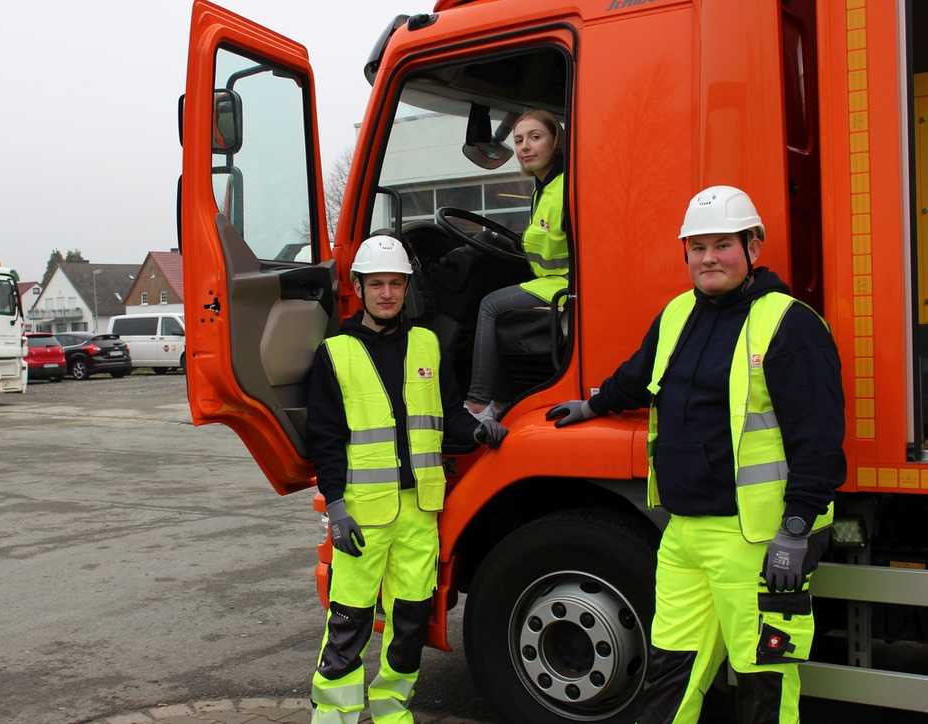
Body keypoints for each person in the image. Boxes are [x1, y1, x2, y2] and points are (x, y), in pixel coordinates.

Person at [548, 186, 845, 723]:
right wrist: (592, 405)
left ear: (753, 246)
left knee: (764, 678)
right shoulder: (679, 313)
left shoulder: (789, 324)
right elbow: (641, 376)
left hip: (756, 538)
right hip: (683, 533)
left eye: (723, 245)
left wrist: (796, 529)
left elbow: (819, 440)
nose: (709, 258)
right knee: (672, 672)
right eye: (697, 247)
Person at [306, 235, 508, 723]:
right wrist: (335, 507)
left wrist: (481, 430)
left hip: (419, 513)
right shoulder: (336, 352)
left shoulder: (428, 345)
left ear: (407, 288)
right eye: (377, 284)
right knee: (350, 621)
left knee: (411, 620)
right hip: (362, 516)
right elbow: (326, 439)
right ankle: (334, 717)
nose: (387, 294)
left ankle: (392, 709)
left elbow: (447, 419)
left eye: (396, 284)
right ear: (359, 288)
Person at [465, 109, 568, 420]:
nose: (525, 147)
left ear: (556, 142)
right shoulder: (544, 188)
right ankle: (504, 400)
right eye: (519, 140)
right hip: (554, 281)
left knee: (491, 306)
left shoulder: (565, 187)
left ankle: (479, 403)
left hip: (566, 284)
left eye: (536, 138)